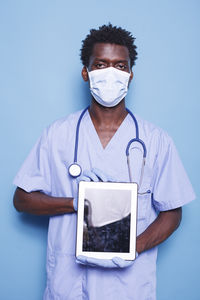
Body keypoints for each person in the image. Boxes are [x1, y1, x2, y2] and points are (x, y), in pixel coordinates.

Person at [13, 24, 195, 300]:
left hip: (129, 287)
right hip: (69, 283)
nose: (111, 73)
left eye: (120, 66)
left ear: (131, 76)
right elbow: (22, 200)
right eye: (101, 64)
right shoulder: (57, 134)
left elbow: (173, 211)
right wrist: (74, 202)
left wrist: (135, 245)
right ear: (86, 73)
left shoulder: (156, 140)